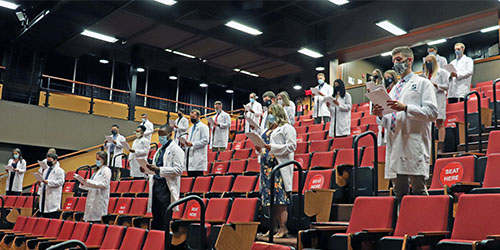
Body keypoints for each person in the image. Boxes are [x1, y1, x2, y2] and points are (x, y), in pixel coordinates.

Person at [373, 46, 437, 202]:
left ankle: (423, 225)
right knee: (398, 193)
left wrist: (406, 108)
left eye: (399, 60)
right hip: (395, 144)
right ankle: (402, 226)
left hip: (414, 143)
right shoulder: (394, 89)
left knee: (418, 190)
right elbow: (391, 120)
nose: (395, 63)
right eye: (393, 60)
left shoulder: (423, 83)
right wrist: (380, 115)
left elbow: (432, 113)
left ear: (410, 60)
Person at [255, 104, 296, 238]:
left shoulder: (287, 128)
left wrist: (272, 147)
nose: (270, 116)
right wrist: (259, 149)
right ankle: (273, 227)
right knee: (269, 200)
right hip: (266, 168)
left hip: (278, 167)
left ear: (278, 113)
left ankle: (283, 228)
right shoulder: (267, 129)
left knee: (280, 199)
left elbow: (291, 146)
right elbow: (264, 148)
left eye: (272, 113)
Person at [145, 125, 184, 230]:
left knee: (165, 217)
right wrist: (147, 170)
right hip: (156, 185)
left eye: (163, 135)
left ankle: (165, 242)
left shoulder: (177, 150)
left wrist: (159, 169)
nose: (160, 137)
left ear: (170, 135)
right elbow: (156, 167)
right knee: (156, 216)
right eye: (159, 135)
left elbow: (179, 170)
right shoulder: (159, 150)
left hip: (166, 187)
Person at [424, 54, 450, 144]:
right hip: (428, 100)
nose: (428, 63)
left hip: (439, 99)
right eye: (426, 62)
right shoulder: (426, 75)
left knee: (439, 123)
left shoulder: (442, 72)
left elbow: (447, 86)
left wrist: (437, 85)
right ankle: (431, 145)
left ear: (434, 62)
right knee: (429, 124)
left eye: (430, 61)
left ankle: (441, 145)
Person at [79, 151, 111, 223]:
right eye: (96, 159)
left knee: (97, 222)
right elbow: (92, 185)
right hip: (92, 197)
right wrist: (84, 183)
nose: (97, 161)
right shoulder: (96, 171)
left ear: (104, 160)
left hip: (100, 198)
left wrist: (89, 182)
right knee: (90, 222)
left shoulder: (106, 170)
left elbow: (104, 184)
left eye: (98, 159)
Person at [183, 110, 209, 177]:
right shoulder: (191, 128)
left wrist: (193, 144)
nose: (192, 119)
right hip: (190, 156)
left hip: (198, 157)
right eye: (191, 117)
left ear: (198, 117)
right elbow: (190, 140)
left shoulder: (203, 127)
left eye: (193, 117)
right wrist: (185, 144)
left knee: (197, 178)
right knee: (190, 177)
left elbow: (206, 140)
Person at [39, 153, 65, 218]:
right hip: (45, 195)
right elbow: (44, 181)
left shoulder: (60, 171)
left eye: (50, 160)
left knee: (52, 216)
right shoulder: (46, 171)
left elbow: (60, 182)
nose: (49, 162)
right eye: (48, 161)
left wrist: (48, 182)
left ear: (55, 160)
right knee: (44, 216)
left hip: (53, 196)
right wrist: (40, 183)